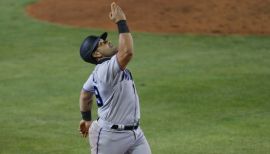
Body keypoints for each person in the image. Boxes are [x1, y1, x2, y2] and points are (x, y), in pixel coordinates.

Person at [78, 2, 151, 154]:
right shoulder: (105, 70)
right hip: (109, 138)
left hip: (135, 134)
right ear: (97, 54)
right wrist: (121, 21)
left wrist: (86, 119)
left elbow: (85, 94)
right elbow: (127, 52)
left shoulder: (97, 73)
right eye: (102, 43)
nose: (108, 41)